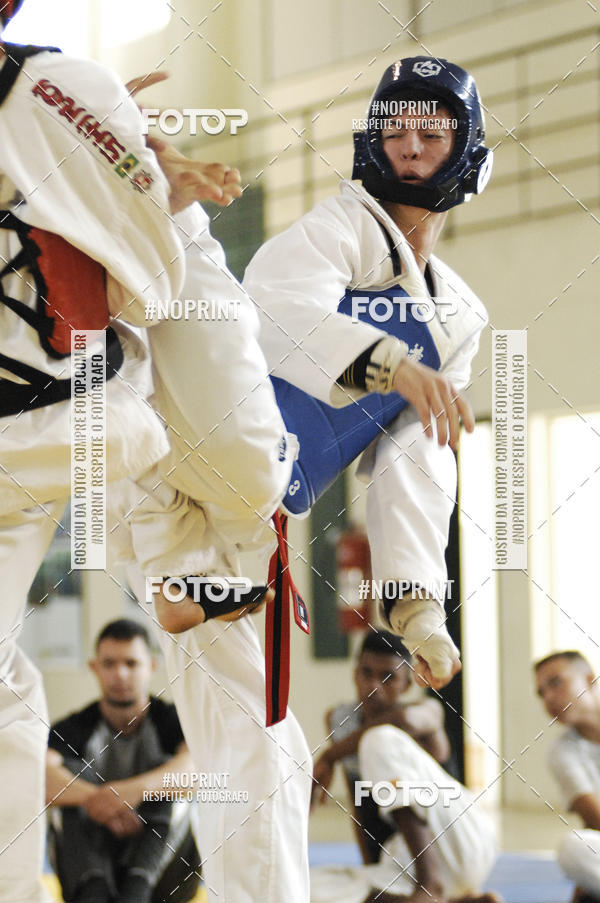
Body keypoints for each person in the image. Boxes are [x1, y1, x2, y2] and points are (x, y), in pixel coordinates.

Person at [0, 7, 239, 901]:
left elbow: (145, 262)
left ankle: (180, 558)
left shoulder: (49, 85)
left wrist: (139, 165)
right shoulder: (50, 92)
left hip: (59, 413)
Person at [243, 56, 493, 691]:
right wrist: (392, 365)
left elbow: (416, 451)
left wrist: (418, 601)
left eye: (431, 134)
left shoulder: (460, 316)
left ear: (469, 153)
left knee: (253, 721)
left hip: (263, 510)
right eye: (394, 131)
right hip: (202, 453)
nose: (410, 148)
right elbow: (272, 309)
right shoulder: (342, 226)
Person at [310, 630, 499, 903]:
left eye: (388, 677)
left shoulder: (427, 711)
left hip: (460, 840)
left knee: (378, 739)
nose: (374, 686)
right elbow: (360, 800)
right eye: (366, 673)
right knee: (308, 889)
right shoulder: (341, 720)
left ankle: (430, 886)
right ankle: (455, 901)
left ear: (407, 684)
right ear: (355, 674)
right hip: (405, 856)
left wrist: (329, 756)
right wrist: (373, 870)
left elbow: (402, 721)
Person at [46, 619, 199, 903]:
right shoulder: (74, 727)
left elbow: (195, 771)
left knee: (171, 778)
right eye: (109, 664)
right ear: (94, 667)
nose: (120, 674)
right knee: (67, 777)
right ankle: (94, 889)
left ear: (151, 666)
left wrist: (132, 792)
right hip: (90, 870)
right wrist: (98, 800)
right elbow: (40, 778)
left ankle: (136, 890)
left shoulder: (173, 721)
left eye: (131, 663)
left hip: (165, 880)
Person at [535, 651, 600, 903]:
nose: (549, 698)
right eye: (541, 693)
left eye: (556, 683)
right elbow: (595, 820)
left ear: (590, 679)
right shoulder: (562, 753)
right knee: (575, 847)